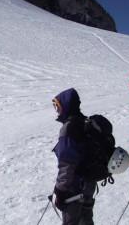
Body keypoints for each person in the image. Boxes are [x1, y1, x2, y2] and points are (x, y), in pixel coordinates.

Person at [52, 88, 95, 224]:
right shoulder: (85, 122)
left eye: (57, 106)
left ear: (66, 106)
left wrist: (60, 190)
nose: (57, 111)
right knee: (86, 219)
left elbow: (67, 163)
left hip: (74, 188)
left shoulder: (69, 128)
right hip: (89, 182)